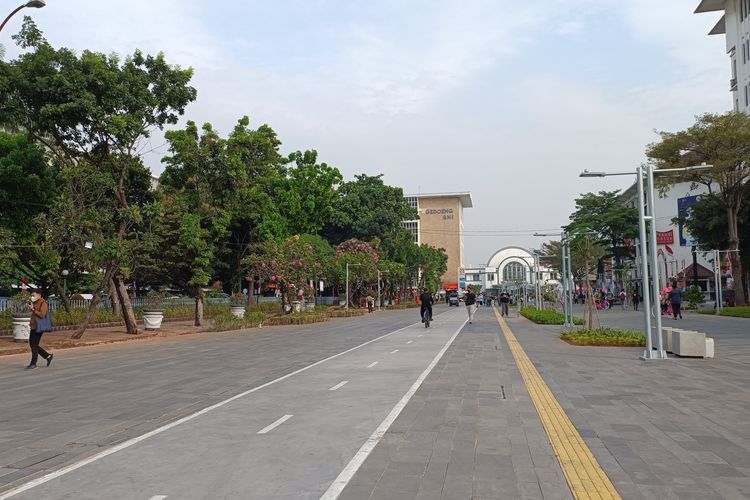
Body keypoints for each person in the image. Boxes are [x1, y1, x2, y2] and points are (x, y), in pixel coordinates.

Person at [27, 289, 53, 370]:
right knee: (32, 344)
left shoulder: (43, 303)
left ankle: (33, 363)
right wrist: (31, 308)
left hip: (39, 327)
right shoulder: (35, 303)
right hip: (34, 326)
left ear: (39, 295)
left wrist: (33, 309)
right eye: (32, 295)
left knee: (34, 345)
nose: (32, 297)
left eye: (33, 295)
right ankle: (48, 356)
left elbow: (42, 315)